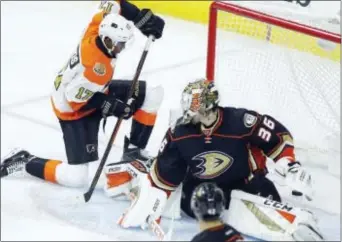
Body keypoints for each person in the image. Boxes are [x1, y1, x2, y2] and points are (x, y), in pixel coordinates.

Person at [105, 78, 323, 241]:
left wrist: (290, 165)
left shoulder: (241, 122)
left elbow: (277, 138)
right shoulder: (180, 131)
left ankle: (295, 225)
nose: (187, 111)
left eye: (193, 106)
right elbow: (166, 173)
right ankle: (134, 173)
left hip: (247, 185)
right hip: (201, 191)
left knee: (269, 205)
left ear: (206, 107)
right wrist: (150, 202)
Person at [0, 0, 165, 190]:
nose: (122, 48)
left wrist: (140, 18)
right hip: (73, 110)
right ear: (108, 41)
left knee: (151, 93)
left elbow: (113, 2)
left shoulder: (98, 25)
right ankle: (25, 161)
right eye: (120, 44)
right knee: (76, 178)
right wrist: (112, 106)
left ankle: (134, 153)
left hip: (94, 90)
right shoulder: (95, 68)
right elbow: (75, 100)